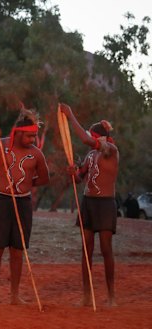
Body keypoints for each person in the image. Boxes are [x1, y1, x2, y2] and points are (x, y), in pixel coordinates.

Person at [0, 108, 49, 305]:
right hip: (0, 200)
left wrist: (27, 183)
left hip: (23, 202)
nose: (33, 140)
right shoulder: (0, 146)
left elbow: (44, 177)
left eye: (34, 136)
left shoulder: (36, 154)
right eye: (29, 136)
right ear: (18, 132)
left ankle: (14, 295)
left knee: (18, 251)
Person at [60, 103, 119, 307]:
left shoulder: (110, 150)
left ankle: (111, 296)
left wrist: (70, 114)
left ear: (98, 138)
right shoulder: (90, 155)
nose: (89, 140)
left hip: (105, 205)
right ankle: (87, 295)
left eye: (92, 137)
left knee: (105, 249)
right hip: (89, 203)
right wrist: (72, 172)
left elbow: (85, 139)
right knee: (87, 249)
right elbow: (79, 178)